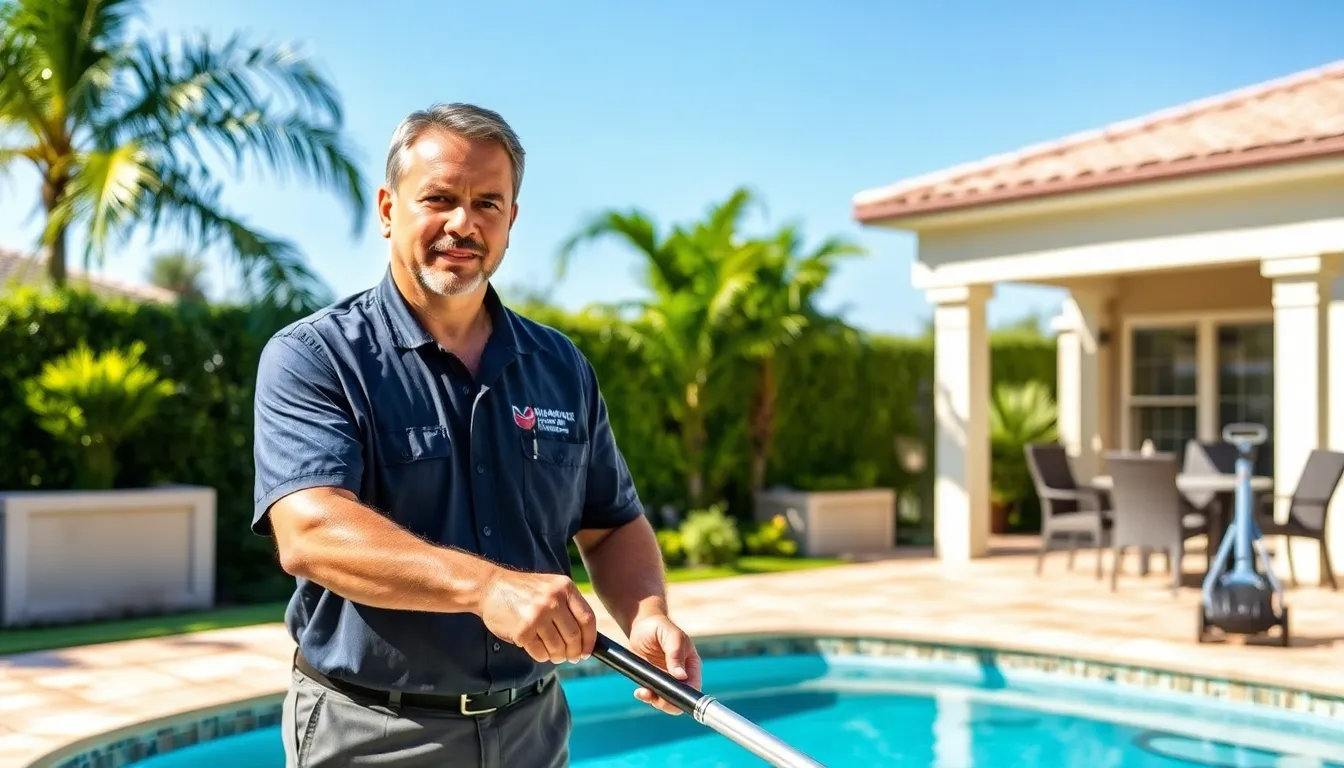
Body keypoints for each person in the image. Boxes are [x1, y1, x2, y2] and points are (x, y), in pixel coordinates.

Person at [250, 102, 702, 768]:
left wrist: (647, 613)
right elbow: (311, 533)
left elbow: (610, 524)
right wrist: (485, 588)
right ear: (387, 208)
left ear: (511, 221)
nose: (464, 223)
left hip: (533, 730)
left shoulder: (561, 366)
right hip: (372, 734)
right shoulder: (315, 357)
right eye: (439, 198)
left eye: (488, 203)